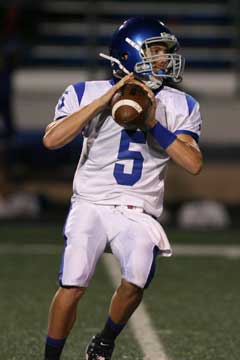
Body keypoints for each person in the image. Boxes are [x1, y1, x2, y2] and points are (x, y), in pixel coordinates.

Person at [43, 17, 203, 360]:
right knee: (72, 284)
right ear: (130, 53)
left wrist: (152, 124)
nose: (163, 59)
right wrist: (103, 103)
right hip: (90, 201)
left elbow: (193, 163)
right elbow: (52, 140)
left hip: (136, 208)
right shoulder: (85, 92)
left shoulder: (181, 104)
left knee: (136, 280)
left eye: (165, 52)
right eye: (155, 50)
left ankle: (103, 343)